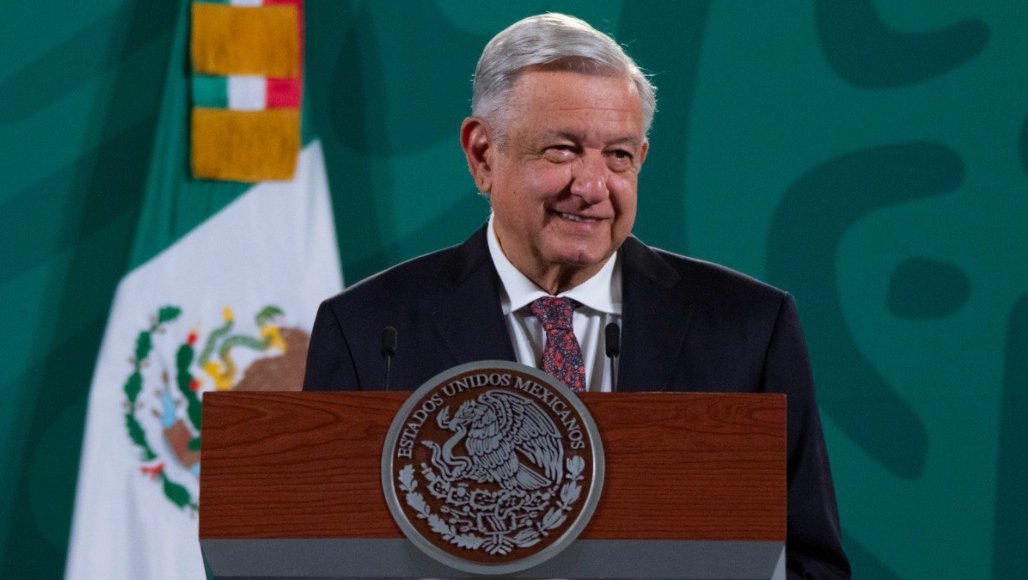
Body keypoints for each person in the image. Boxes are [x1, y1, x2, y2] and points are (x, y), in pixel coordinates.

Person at [304, 13, 850, 578]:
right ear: (483, 155)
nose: (592, 189)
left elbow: (811, 563)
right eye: (562, 150)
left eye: (618, 155)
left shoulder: (750, 328)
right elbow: (315, 555)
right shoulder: (370, 332)